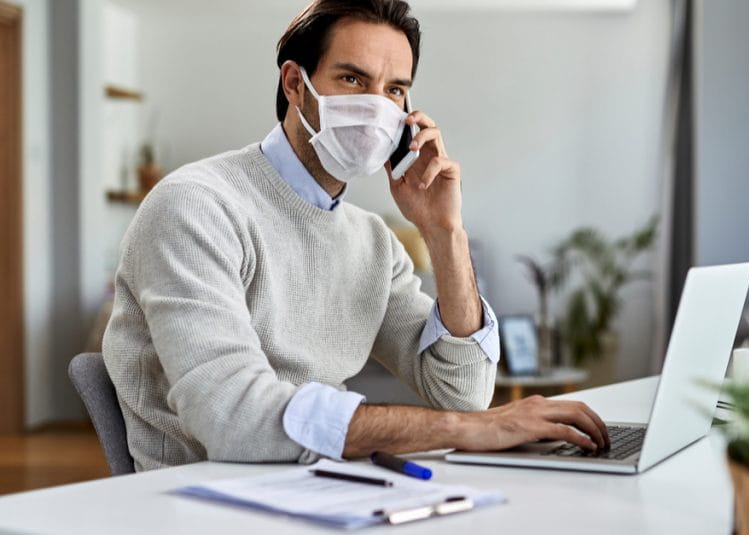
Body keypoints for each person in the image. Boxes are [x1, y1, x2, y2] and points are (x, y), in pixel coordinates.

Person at [103, 0, 608, 471]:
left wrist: (443, 232)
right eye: (352, 78)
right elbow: (233, 418)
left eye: (393, 90)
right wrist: (468, 430)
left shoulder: (371, 241)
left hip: (324, 487)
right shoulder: (196, 205)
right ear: (295, 84)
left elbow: (462, 392)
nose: (376, 108)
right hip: (202, 500)